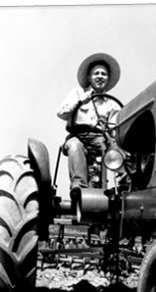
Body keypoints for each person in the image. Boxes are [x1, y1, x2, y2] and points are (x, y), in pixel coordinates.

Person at [56, 53, 122, 196]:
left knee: (116, 150)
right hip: (78, 136)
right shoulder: (77, 94)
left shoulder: (112, 104)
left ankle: (120, 186)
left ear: (108, 79)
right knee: (75, 146)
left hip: (99, 138)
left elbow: (114, 129)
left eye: (103, 74)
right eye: (96, 73)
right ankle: (78, 186)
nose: (100, 76)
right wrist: (80, 102)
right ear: (89, 78)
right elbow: (61, 114)